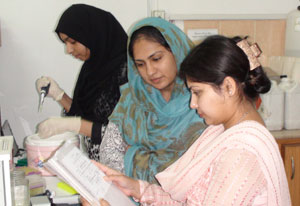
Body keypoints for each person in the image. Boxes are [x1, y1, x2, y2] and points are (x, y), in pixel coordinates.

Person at [84, 35, 291, 206]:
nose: (192, 103)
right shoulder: (224, 132)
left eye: (197, 92)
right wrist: (138, 189)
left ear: (229, 87)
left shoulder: (242, 153)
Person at [98, 17, 206, 183]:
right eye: (140, 64)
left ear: (176, 51)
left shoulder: (203, 95)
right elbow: (109, 153)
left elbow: (202, 167)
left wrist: (134, 155)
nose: (150, 71)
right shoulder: (132, 98)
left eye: (156, 59)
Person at [35, 4, 128, 161]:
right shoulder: (91, 69)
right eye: (65, 43)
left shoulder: (127, 71)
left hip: (123, 170)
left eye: (72, 41)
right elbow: (83, 114)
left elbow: (123, 137)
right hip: (97, 167)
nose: (68, 50)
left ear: (92, 34)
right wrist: (58, 95)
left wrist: (70, 125)